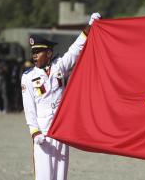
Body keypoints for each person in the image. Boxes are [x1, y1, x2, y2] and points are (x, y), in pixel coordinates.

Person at [21, 12, 101, 180]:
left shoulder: (59, 67)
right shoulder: (28, 77)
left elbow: (75, 50)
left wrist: (90, 27)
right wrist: (35, 132)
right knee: (44, 176)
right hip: (43, 133)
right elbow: (29, 109)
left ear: (49, 53)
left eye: (38, 52)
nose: (34, 55)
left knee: (60, 176)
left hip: (61, 130)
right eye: (33, 52)